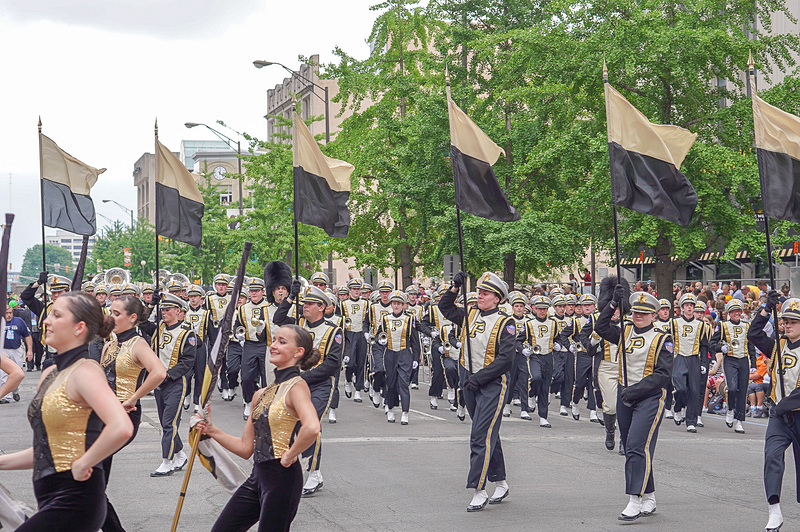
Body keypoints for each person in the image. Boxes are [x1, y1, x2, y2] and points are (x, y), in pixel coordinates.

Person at [0, 291, 133, 532]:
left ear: (78, 328)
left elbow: (121, 427)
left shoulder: (85, 371)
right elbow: (46, 449)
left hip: (75, 499)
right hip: (51, 497)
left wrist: (85, 462)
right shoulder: (51, 374)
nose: (46, 321)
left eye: (56, 315)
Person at [194, 325, 321, 532]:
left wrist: (290, 455)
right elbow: (245, 448)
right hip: (257, 476)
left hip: (282, 479)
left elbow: (312, 427)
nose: (273, 346)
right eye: (274, 340)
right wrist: (211, 430)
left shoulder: (297, 386)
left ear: (298, 352)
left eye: (282, 342)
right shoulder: (260, 394)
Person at [440, 271, 514, 512]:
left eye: (485, 293)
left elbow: (505, 360)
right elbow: (445, 308)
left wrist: (479, 378)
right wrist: (455, 287)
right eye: (479, 291)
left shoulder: (506, 322)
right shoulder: (469, 314)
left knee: (479, 435)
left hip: (491, 384)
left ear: (497, 298)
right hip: (468, 379)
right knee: (488, 431)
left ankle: (478, 489)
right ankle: (500, 481)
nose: (480, 295)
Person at [595, 289, 673, 521]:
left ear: (654, 315)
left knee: (638, 446)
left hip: (648, 397)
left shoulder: (662, 339)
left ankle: (634, 499)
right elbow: (600, 328)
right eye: (636, 312)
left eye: (644, 313)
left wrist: (634, 391)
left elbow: (663, 375)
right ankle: (649, 495)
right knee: (633, 447)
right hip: (624, 394)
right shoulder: (624, 331)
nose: (639, 316)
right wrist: (612, 305)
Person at [100, 295, 166, 532]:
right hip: (101, 416)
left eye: (117, 314)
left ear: (133, 318)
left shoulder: (138, 344)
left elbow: (159, 372)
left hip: (123, 418)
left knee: (91, 483)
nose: (111, 317)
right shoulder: (109, 344)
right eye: (111, 312)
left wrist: (134, 397)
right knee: (92, 485)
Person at [273, 284, 343, 497]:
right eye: (304, 303)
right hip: (296, 385)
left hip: (320, 384)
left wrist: (303, 377)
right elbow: (278, 318)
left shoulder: (333, 331)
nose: (305, 307)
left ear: (322, 307)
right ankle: (294, 468)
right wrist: (290, 297)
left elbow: (332, 363)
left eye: (310, 304)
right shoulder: (298, 328)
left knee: (310, 425)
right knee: (292, 425)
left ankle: (314, 472)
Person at [747, 292, 800, 532]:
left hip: (794, 412)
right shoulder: (778, 344)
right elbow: (754, 334)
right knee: (772, 457)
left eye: (793, 322)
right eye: (785, 321)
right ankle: (774, 511)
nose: (787, 325)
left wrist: (781, 406)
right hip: (780, 417)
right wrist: (767, 308)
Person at [149, 293, 196, 476]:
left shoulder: (187, 333)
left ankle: (166, 462)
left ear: (178, 311)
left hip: (175, 383)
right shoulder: (158, 328)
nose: (164, 313)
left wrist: (168, 375)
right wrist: (152, 303)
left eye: (168, 310)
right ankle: (180, 454)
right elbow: (141, 322)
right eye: (163, 309)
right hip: (158, 382)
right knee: (165, 422)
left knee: (169, 423)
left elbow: (188, 361)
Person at [375, 290, 430, 425]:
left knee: (403, 383)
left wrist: (416, 359)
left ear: (403, 305)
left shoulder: (409, 318)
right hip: (390, 354)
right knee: (391, 382)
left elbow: (415, 340)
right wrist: (380, 340)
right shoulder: (385, 318)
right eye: (394, 303)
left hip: (404, 353)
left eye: (399, 303)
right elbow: (378, 335)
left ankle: (405, 412)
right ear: (391, 304)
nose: (396, 306)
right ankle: (391, 408)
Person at [711, 299, 755, 433]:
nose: (736, 313)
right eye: (733, 311)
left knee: (743, 390)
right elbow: (712, 343)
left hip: (743, 360)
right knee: (732, 388)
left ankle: (739, 421)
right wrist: (721, 348)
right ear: (729, 313)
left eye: (738, 311)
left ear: (741, 312)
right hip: (730, 359)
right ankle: (730, 409)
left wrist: (753, 363)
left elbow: (751, 345)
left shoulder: (747, 326)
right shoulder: (723, 325)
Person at [670, 293, 709, 432]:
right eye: (687, 305)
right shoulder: (674, 322)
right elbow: (668, 341)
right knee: (681, 388)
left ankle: (691, 421)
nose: (689, 308)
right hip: (679, 356)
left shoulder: (700, 325)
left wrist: (704, 363)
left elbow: (704, 345)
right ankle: (678, 407)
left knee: (694, 390)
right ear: (682, 308)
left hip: (694, 358)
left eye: (691, 306)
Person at [235, 278, 271, 420]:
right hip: (250, 344)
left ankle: (266, 405)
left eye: (256, 291)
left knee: (266, 376)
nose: (254, 293)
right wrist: (239, 334)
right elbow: (238, 324)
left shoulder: (268, 306)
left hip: (265, 344)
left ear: (263, 291)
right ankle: (249, 402)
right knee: (246, 377)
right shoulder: (243, 308)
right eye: (251, 291)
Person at [1, 304, 32, 403]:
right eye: (6, 313)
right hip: (4, 350)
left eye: (10, 313)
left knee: (18, 371)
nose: (8, 315)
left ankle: (15, 390)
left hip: (16, 350)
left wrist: (29, 351)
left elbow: (27, 336)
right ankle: (5, 396)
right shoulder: (1, 322)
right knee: (3, 373)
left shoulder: (19, 321)